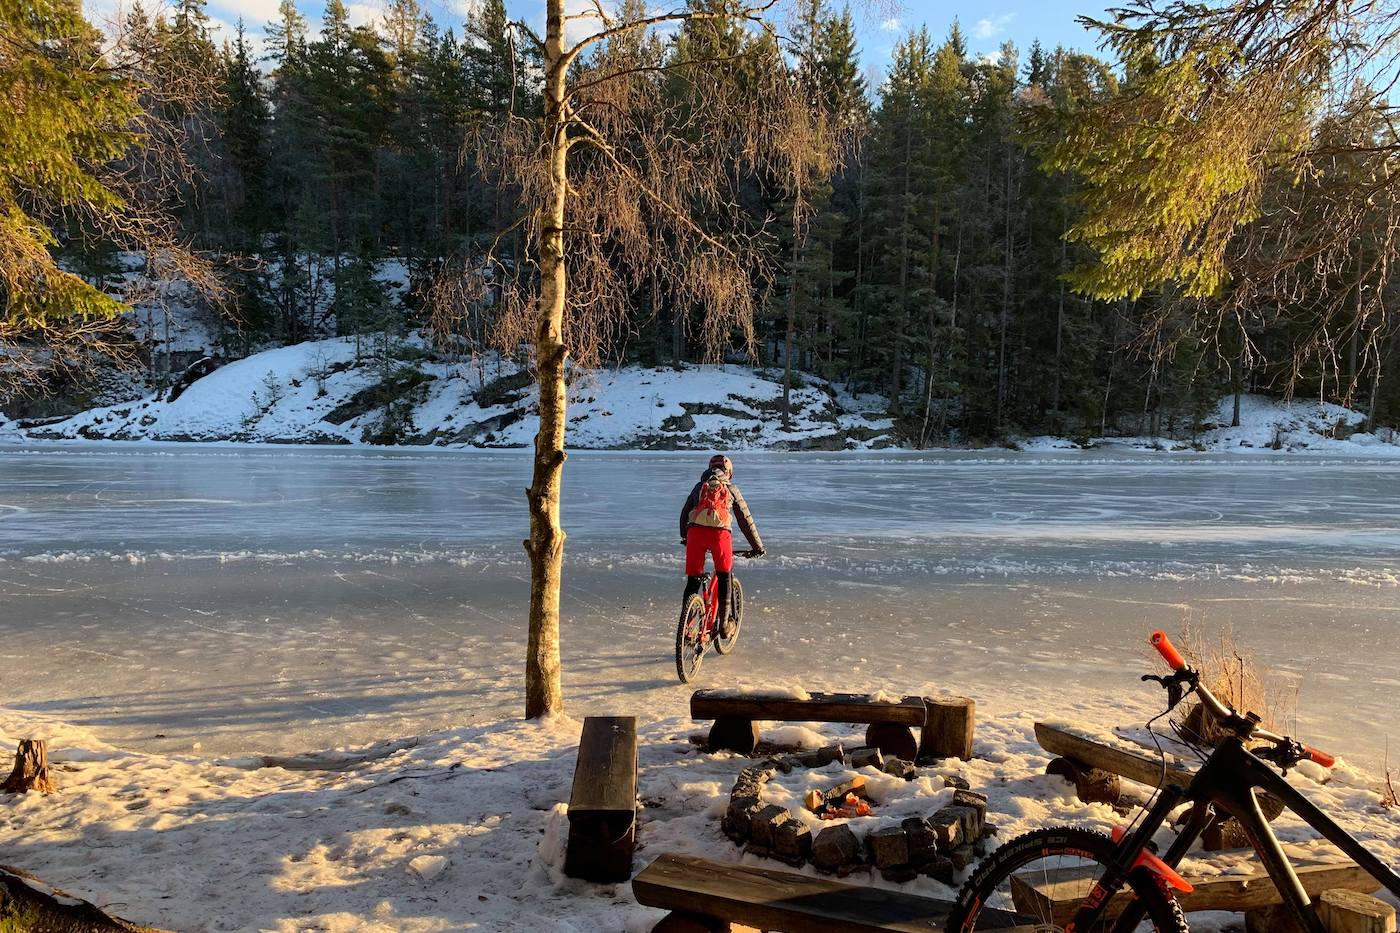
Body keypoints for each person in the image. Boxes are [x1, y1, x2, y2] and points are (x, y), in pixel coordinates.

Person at [679, 454, 764, 639]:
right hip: (720, 536)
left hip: (695, 534)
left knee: (693, 580)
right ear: (729, 473)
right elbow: (745, 520)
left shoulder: (699, 487)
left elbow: (685, 513)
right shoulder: (731, 489)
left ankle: (686, 628)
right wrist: (757, 547)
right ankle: (724, 626)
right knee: (725, 575)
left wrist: (685, 537)